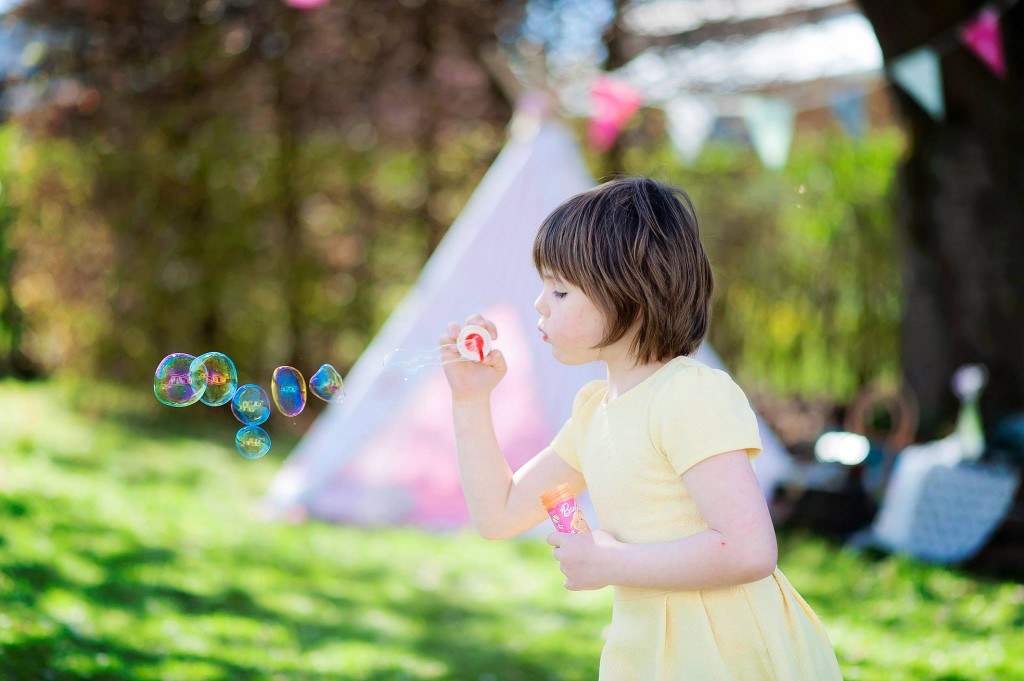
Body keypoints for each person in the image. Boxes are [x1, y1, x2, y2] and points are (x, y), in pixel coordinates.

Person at [440, 177, 842, 680]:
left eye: (560, 290)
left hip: (731, 653)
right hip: (652, 654)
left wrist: (612, 563)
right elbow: (497, 516)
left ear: (629, 294)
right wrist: (471, 399)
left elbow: (749, 549)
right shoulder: (594, 411)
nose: (540, 305)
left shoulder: (689, 395)